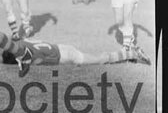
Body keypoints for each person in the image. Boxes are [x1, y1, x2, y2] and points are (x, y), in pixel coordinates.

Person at [14, 38, 149, 77]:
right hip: (60, 47)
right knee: (98, 58)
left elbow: (27, 64)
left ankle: (132, 53)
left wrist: (22, 64)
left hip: (67, 56)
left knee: (100, 59)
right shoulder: (21, 42)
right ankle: (129, 55)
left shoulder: (21, 53)